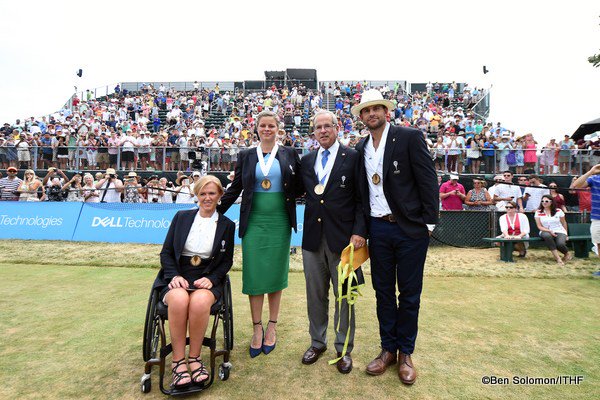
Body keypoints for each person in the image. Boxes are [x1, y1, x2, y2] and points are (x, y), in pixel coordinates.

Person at [353, 90, 438, 384]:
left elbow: (428, 180)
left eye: (376, 108)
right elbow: (362, 194)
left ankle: (406, 353)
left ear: (386, 112)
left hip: (410, 228)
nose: (371, 113)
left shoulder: (409, 137)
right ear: (361, 117)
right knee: (383, 292)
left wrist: (429, 224)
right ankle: (388, 349)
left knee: (410, 293)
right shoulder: (361, 147)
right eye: (366, 110)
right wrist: (362, 230)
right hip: (378, 228)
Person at [218, 110, 302, 358]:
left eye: (271, 126)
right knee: (254, 275)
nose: (267, 129)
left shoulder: (289, 153)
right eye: (263, 125)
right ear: (256, 128)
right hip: (254, 221)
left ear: (278, 129)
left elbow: (300, 186)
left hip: (280, 221)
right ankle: (257, 328)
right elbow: (235, 189)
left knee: (276, 272)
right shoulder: (246, 155)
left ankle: (272, 326)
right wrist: (213, 211)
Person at [299, 110, 366, 374]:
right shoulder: (306, 161)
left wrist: (360, 231)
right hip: (312, 240)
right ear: (313, 132)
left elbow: (362, 198)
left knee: (345, 296)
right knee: (315, 295)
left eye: (328, 126)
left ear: (337, 128)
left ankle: (343, 348)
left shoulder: (352, 157)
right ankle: (317, 342)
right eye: (319, 127)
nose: (323, 131)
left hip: (345, 240)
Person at [154, 175, 235, 389]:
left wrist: (212, 278)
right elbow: (166, 253)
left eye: (212, 193)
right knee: (179, 300)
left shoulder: (227, 225)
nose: (207, 198)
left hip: (207, 275)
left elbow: (227, 260)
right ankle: (178, 362)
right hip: (178, 273)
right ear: (196, 195)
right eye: (202, 194)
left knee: (199, 302)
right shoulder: (181, 217)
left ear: (220, 196)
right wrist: (174, 276)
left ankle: (195, 358)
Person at [571, 164, 600, 263]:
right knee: (599, 244)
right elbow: (576, 186)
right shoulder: (594, 178)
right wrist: (591, 172)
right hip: (597, 218)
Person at [534, 194, 571, 265]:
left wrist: (566, 234)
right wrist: (549, 231)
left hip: (559, 230)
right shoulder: (538, 212)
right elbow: (539, 226)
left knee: (560, 244)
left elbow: (564, 223)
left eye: (546, 201)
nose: (544, 202)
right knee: (547, 236)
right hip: (545, 230)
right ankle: (558, 258)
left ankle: (566, 253)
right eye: (542, 201)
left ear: (551, 202)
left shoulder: (558, 211)